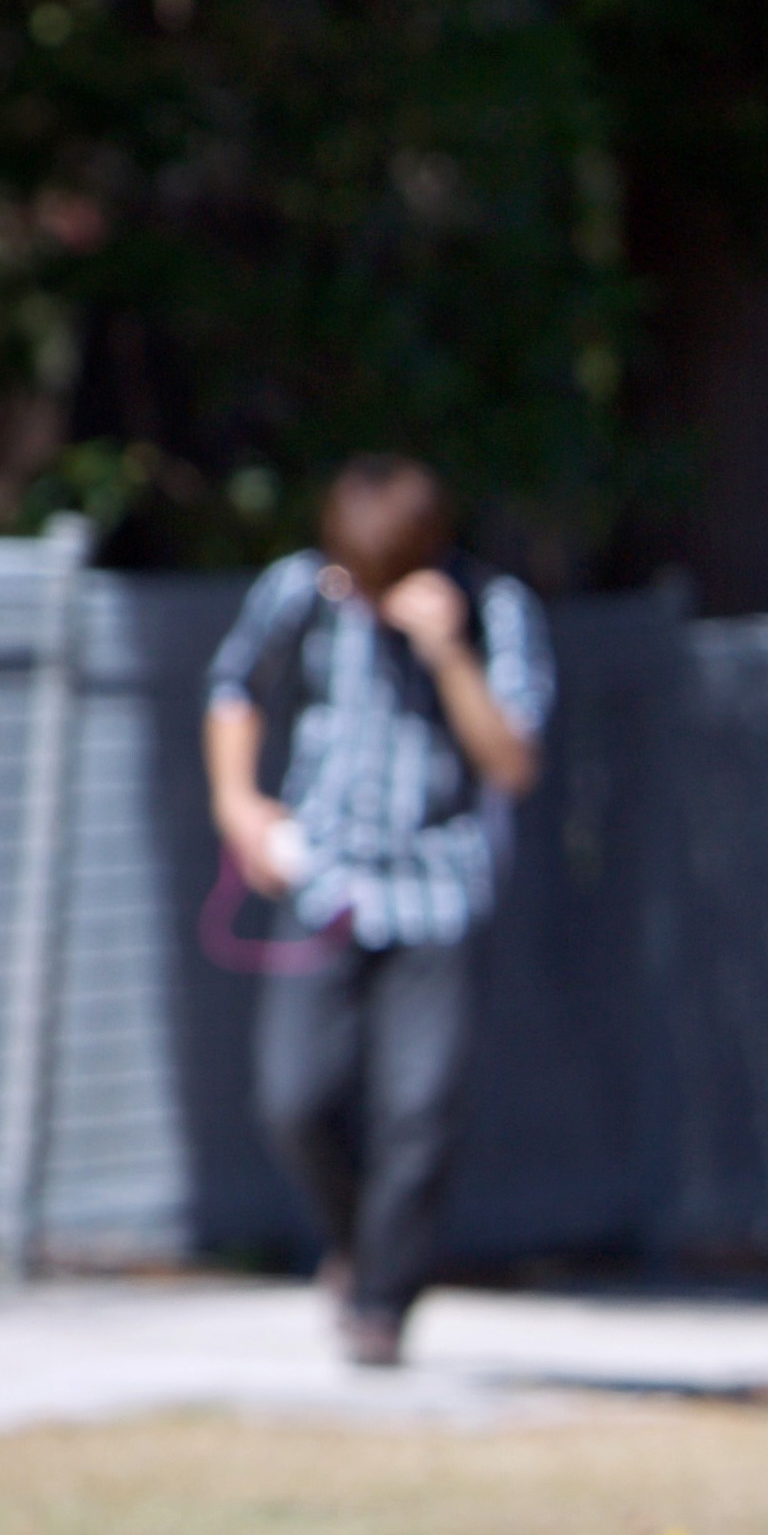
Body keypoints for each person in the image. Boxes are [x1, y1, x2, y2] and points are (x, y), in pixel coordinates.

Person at [201, 456, 551, 1370]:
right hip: (326, 883)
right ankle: (362, 1242)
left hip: (440, 892)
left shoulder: (495, 609)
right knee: (293, 1097)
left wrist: (447, 653)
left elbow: (511, 764)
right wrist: (238, 805)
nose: (360, 596)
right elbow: (233, 689)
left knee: (421, 1110)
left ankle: (381, 1306)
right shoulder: (305, 592)